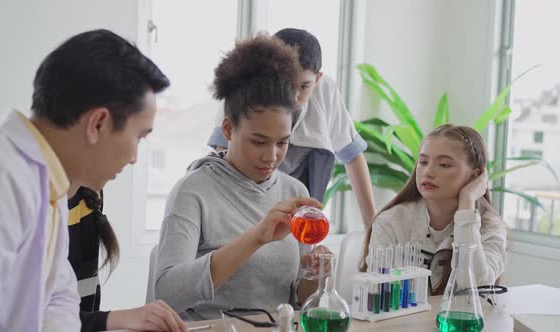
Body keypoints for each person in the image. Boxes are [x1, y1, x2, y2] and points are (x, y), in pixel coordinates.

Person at [0, 29, 184, 332]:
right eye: (138, 137)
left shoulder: (51, 183)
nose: (135, 157)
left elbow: (60, 300)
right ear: (98, 124)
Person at [154, 34, 328, 320]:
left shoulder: (293, 190)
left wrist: (313, 275)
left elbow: (300, 297)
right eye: (258, 141)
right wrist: (255, 238)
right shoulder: (193, 191)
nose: (271, 156)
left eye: (282, 142)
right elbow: (167, 292)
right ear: (227, 129)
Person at [208, 28, 377, 228]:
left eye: (304, 86)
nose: (294, 97)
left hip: (296, 216)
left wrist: (372, 228)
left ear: (318, 79)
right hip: (243, 204)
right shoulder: (242, 87)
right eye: (289, 84)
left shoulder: (325, 92)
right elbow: (223, 155)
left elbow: (352, 155)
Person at [361, 124, 507, 294]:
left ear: (475, 177)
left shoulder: (490, 227)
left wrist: (467, 204)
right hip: (401, 321)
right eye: (423, 162)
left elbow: (473, 289)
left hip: (456, 321)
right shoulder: (391, 223)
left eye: (444, 165)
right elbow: (378, 293)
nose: (428, 172)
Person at [68, 187, 187, 332]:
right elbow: (46, 318)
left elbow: (81, 300)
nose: (133, 162)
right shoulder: (49, 203)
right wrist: (122, 318)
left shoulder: (89, 193)